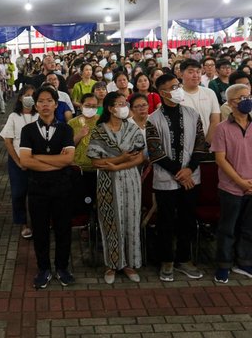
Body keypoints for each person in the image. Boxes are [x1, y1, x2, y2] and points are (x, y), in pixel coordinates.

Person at [146, 74, 208, 282]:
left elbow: (201, 144)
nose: (178, 89)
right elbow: (155, 152)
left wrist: (189, 169)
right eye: (174, 86)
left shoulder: (192, 114)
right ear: (163, 93)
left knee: (187, 220)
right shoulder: (152, 119)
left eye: (178, 85)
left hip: (191, 177)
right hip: (166, 180)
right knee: (166, 221)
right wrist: (180, 173)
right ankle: (166, 261)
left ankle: (184, 259)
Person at [19, 86, 75, 289]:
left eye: (49, 100)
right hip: (37, 189)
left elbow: (69, 159)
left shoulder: (66, 129)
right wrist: (55, 161)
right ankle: (43, 268)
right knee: (40, 231)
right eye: (41, 101)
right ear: (35, 105)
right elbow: (25, 161)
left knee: (63, 230)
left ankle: (62, 267)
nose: (45, 104)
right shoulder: (28, 130)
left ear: (56, 104)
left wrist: (38, 158)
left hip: (62, 188)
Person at [88, 92, 145, 284]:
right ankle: (111, 264)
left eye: (125, 103)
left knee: (131, 220)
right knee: (111, 221)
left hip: (131, 180)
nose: (124, 107)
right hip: (107, 182)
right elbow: (96, 162)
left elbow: (139, 157)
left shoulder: (132, 128)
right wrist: (120, 159)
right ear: (111, 108)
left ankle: (129, 264)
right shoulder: (99, 131)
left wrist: (117, 165)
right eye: (120, 104)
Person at [211, 84, 252, 283]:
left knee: (248, 227)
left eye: (248, 96)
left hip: (251, 186)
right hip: (231, 188)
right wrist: (240, 182)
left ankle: (244, 262)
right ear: (230, 103)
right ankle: (224, 265)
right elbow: (220, 159)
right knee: (227, 229)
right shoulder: (222, 128)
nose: (246, 100)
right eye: (241, 98)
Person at [0, 85, 38, 240]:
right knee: (18, 193)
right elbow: (8, 141)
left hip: (37, 161)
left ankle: (39, 221)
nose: (29, 98)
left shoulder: (40, 115)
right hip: (17, 160)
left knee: (37, 193)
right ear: (21, 97)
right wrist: (18, 161)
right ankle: (23, 223)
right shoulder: (14, 116)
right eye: (26, 95)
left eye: (32, 95)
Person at [67, 93, 99, 217]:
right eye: (88, 105)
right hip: (79, 169)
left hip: (99, 168)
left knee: (97, 199)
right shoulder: (72, 123)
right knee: (83, 200)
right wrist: (80, 135)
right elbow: (68, 147)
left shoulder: (101, 121)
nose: (91, 108)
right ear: (80, 105)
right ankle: (85, 225)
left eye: (94, 106)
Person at [180, 59, 220, 144]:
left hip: (208, 143)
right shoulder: (176, 96)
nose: (195, 75)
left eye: (198, 72)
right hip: (185, 144)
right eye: (191, 72)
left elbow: (215, 120)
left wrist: (207, 143)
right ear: (181, 74)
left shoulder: (209, 93)